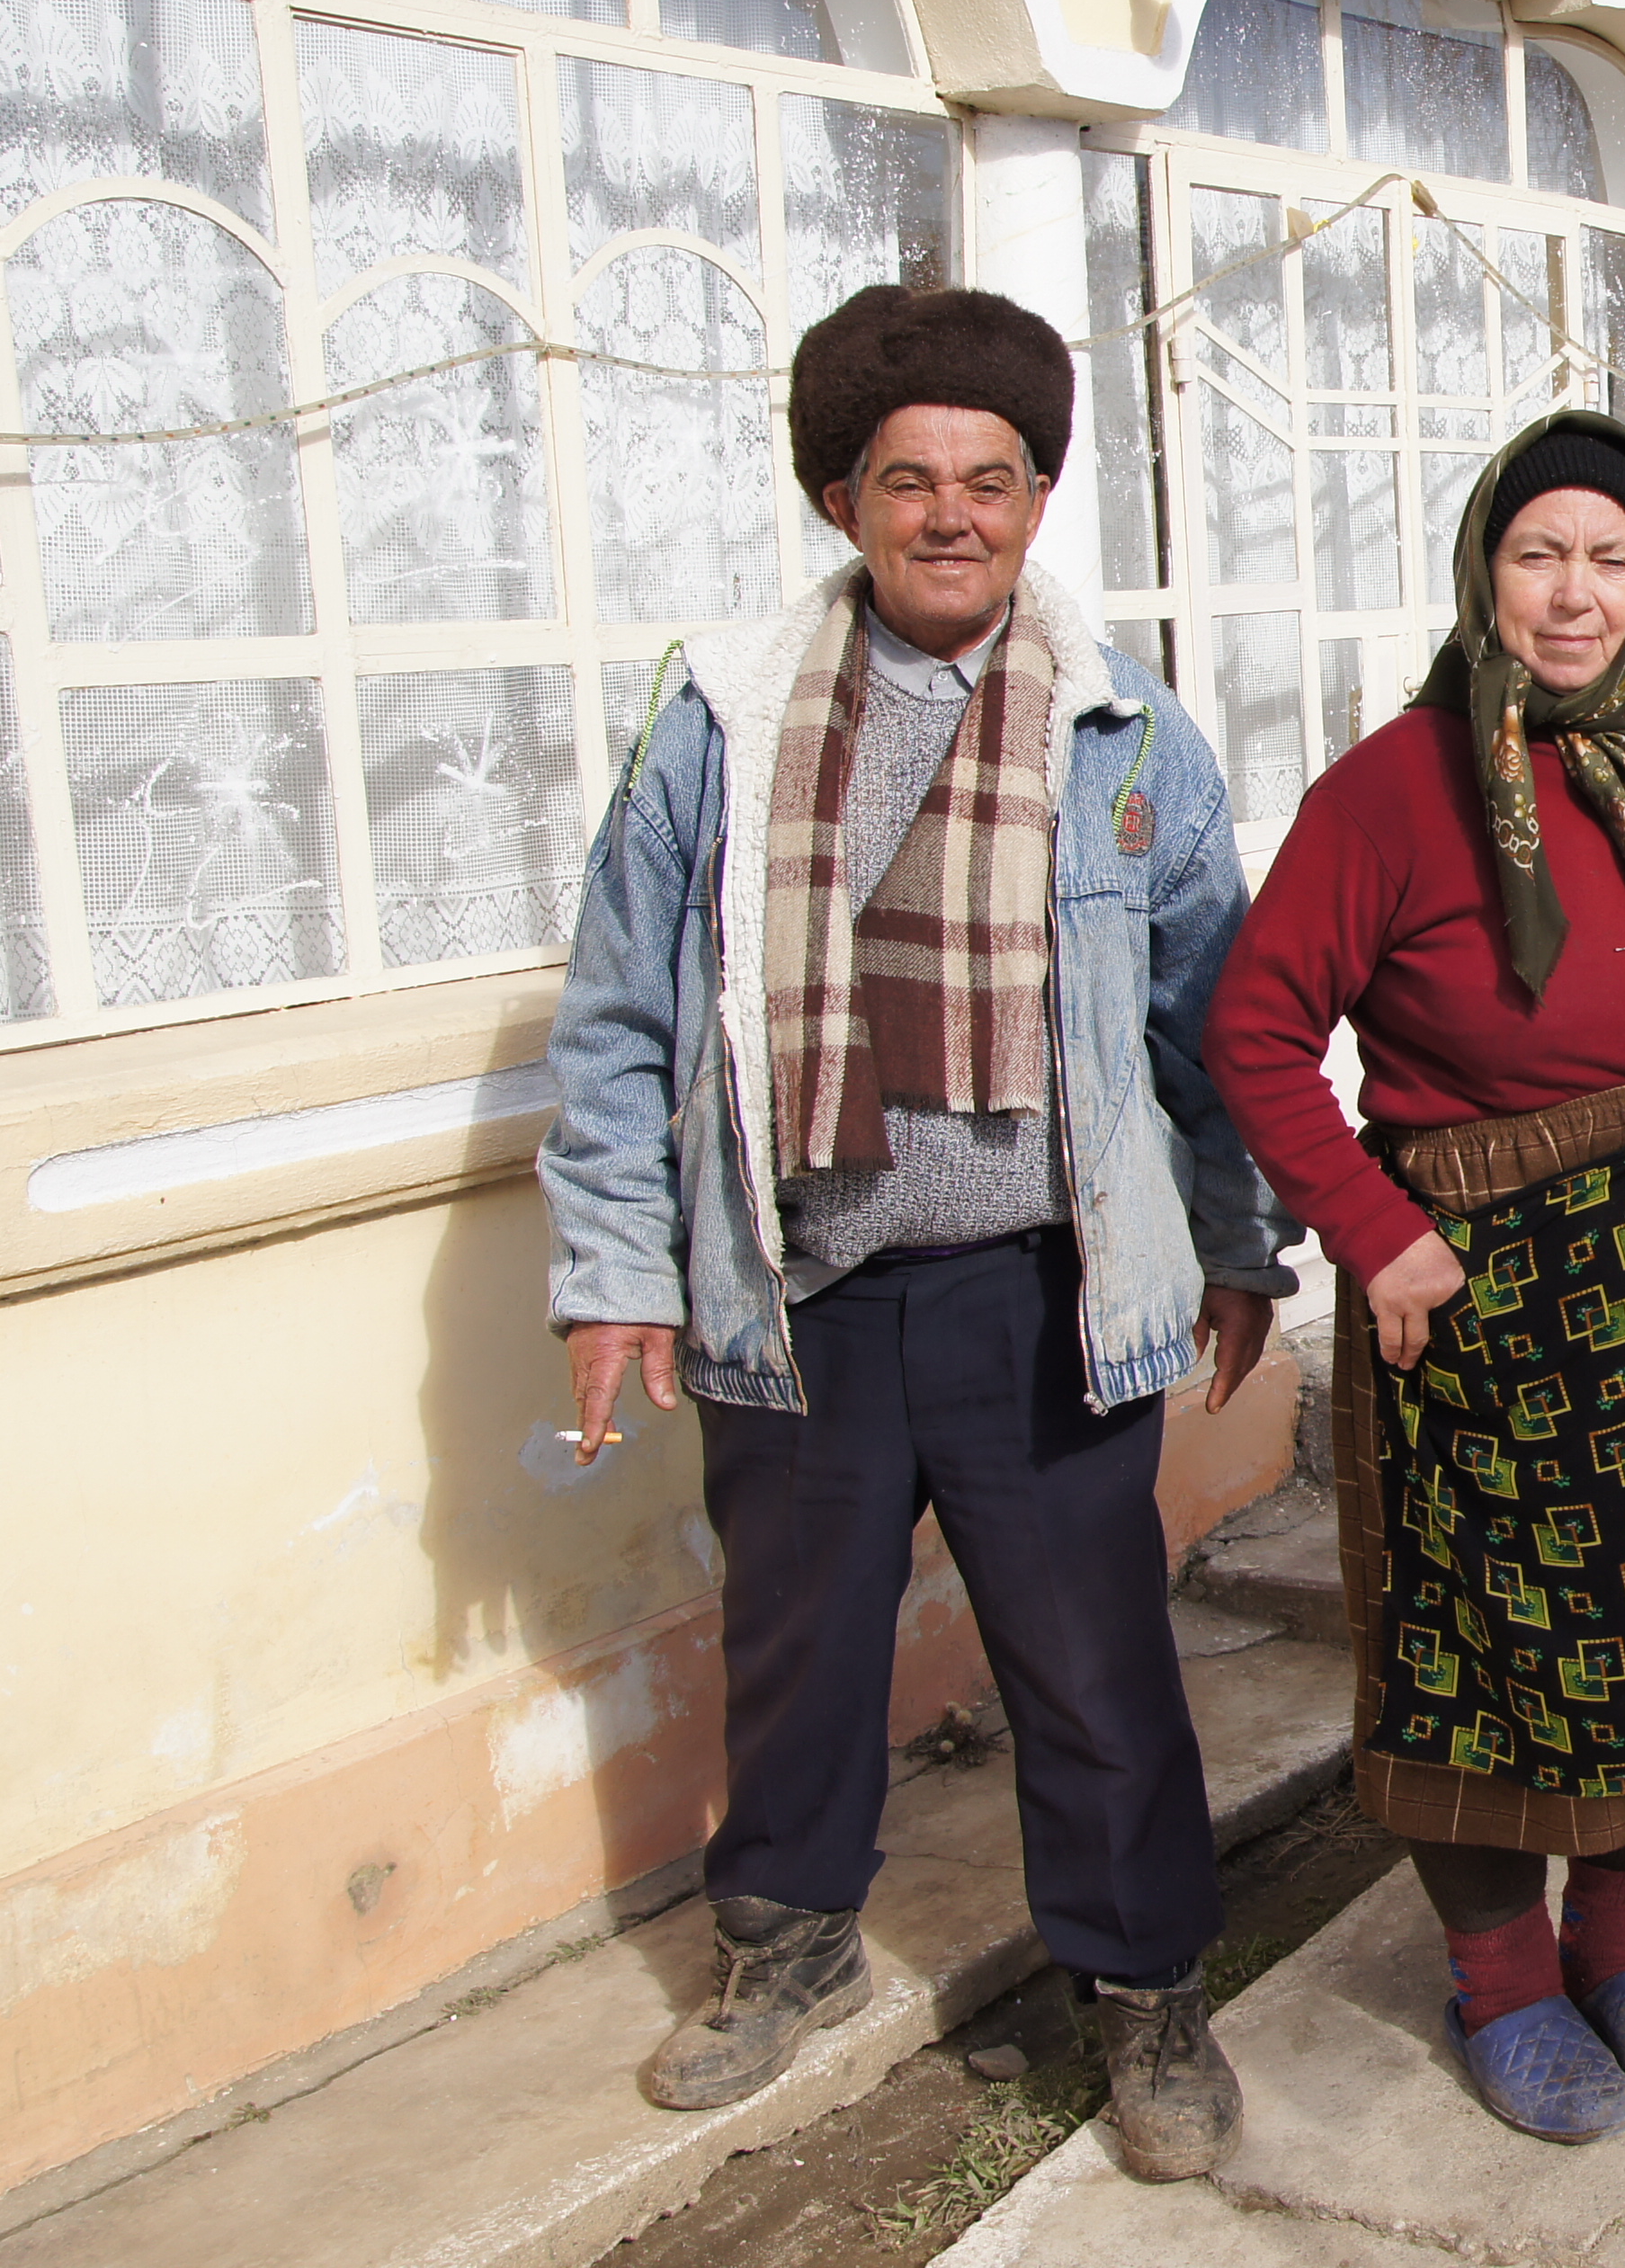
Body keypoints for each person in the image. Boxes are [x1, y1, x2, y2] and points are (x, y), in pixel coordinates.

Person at [542, 285, 1285, 2178]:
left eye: (991, 479)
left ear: (1035, 500)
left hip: (1041, 1287)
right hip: (802, 1289)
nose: (952, 515)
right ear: (840, 501)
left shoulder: (1123, 732)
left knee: (1093, 1666)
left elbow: (1210, 1020)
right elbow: (620, 1018)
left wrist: (1233, 1247)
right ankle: (783, 1943)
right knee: (797, 1649)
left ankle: (1144, 1989)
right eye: (908, 480)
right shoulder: (721, 720)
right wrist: (616, 1277)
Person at [1202, 412, 1625, 2145]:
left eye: (1611, 559)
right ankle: (1499, 1984)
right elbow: (1254, 1030)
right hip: (1481, 1287)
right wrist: (1373, 1228)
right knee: (1482, 1650)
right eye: (1539, 553)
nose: (1574, 594)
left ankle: (1624, 1956)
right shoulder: (1390, 789)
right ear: (1485, 571)